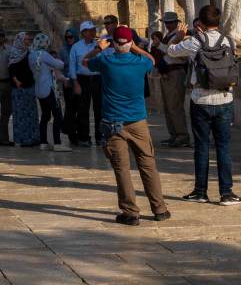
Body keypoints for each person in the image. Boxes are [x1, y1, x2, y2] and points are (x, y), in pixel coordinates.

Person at [82, 26, 170, 226]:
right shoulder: (140, 63)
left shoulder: (105, 61)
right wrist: (135, 47)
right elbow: (152, 59)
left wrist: (99, 48)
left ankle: (130, 212)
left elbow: (84, 62)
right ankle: (160, 209)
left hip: (114, 123)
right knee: (148, 165)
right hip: (138, 122)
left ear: (114, 43)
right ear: (130, 43)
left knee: (122, 169)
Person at [164, 4, 241, 206]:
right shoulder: (228, 40)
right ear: (218, 21)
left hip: (200, 100)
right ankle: (226, 193)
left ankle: (200, 191)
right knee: (223, 148)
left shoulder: (193, 42)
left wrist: (179, 36)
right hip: (225, 98)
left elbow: (171, 52)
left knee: (201, 147)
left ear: (199, 21)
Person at [150, 12, 190, 147]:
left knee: (175, 106)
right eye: (166, 22)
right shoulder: (170, 35)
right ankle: (174, 134)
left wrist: (159, 44)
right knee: (168, 107)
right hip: (167, 73)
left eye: (170, 22)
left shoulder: (182, 36)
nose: (168, 25)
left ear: (176, 22)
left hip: (176, 72)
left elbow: (172, 51)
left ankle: (182, 135)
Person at [28, 33, 71, 152]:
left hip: (39, 90)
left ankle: (43, 142)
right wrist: (55, 60)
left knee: (45, 116)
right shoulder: (45, 54)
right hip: (49, 89)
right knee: (57, 115)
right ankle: (57, 143)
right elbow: (60, 65)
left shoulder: (31, 55)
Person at [68, 21, 102, 146]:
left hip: (97, 78)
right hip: (83, 79)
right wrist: (75, 83)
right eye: (89, 30)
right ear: (83, 33)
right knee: (83, 109)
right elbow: (72, 66)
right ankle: (84, 137)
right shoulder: (76, 47)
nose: (92, 32)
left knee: (99, 109)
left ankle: (100, 136)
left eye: (93, 29)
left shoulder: (98, 46)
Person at [8, 32, 39, 147]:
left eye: (28, 39)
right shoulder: (14, 52)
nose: (28, 41)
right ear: (20, 40)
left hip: (30, 86)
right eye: (25, 39)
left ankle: (33, 137)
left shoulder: (31, 52)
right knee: (20, 115)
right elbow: (11, 69)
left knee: (31, 113)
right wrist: (16, 81)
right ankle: (23, 139)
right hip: (19, 88)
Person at [59, 27, 79, 144]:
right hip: (68, 83)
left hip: (80, 82)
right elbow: (60, 67)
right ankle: (72, 134)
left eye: (71, 37)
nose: (68, 39)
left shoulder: (79, 49)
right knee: (70, 109)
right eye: (67, 37)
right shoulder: (63, 50)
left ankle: (80, 132)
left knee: (80, 108)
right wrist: (64, 79)